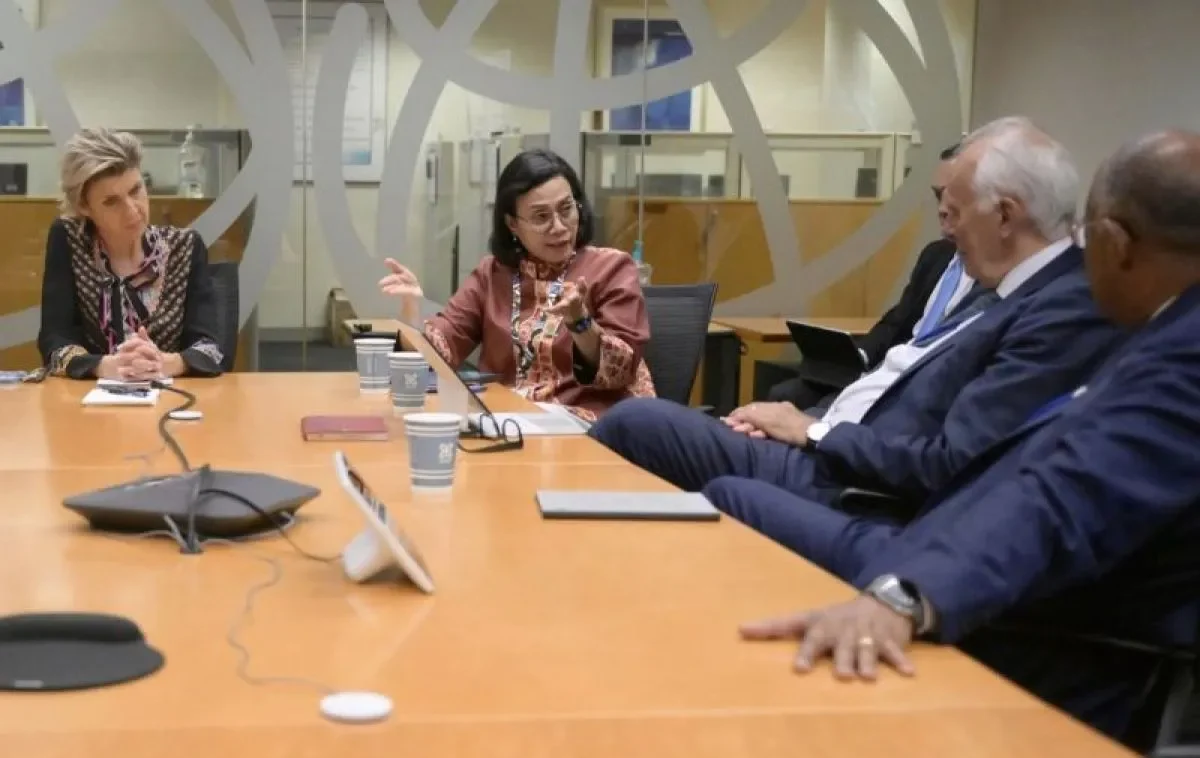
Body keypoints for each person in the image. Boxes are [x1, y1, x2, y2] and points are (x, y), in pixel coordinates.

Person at [735, 128, 1200, 752]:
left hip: (1037, 629)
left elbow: (1065, 498)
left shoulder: (1185, 358)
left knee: (741, 529)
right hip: (975, 560)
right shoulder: (1168, 331)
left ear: (1115, 243)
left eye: (1085, 238)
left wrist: (905, 596)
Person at [590, 116, 1120, 510]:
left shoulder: (1057, 307)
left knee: (641, 422)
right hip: (833, 444)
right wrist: (806, 421)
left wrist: (811, 431)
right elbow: (900, 361)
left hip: (852, 481)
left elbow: (951, 460)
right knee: (658, 432)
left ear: (1004, 215)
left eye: (953, 211)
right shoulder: (1006, 290)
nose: (945, 227)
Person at [379, 148, 654, 422]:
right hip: (509, 422)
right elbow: (440, 353)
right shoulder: (492, 275)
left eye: (566, 209)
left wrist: (581, 323)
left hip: (589, 423)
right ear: (512, 224)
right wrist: (413, 311)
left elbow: (622, 371)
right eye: (541, 216)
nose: (559, 227)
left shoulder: (611, 269)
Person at [768, 143, 972, 410]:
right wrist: (860, 356)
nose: (942, 208)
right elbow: (897, 321)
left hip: (921, 384)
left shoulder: (992, 276)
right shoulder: (936, 255)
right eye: (938, 196)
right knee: (785, 393)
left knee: (823, 407)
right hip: (886, 369)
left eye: (952, 196)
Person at [36, 127, 223, 380]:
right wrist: (104, 366)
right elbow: (54, 341)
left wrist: (164, 363)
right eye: (111, 202)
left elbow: (210, 348)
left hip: (172, 394)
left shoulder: (185, 247)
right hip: (89, 397)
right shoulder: (70, 240)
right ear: (84, 207)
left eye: (136, 190)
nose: (132, 210)